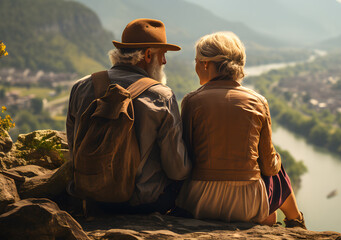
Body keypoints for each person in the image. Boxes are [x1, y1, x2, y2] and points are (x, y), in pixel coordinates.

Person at [176, 31, 305, 228]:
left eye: (196, 61)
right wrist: (276, 159)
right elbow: (269, 168)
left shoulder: (192, 101)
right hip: (248, 203)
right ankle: (296, 222)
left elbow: (186, 158)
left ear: (205, 64)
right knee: (275, 163)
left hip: (200, 201)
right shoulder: (259, 102)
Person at [66, 18, 191, 214]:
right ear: (148, 55)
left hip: (91, 198)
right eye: (163, 55)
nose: (164, 61)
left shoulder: (81, 87)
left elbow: (73, 150)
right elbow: (177, 169)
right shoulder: (162, 96)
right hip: (144, 203)